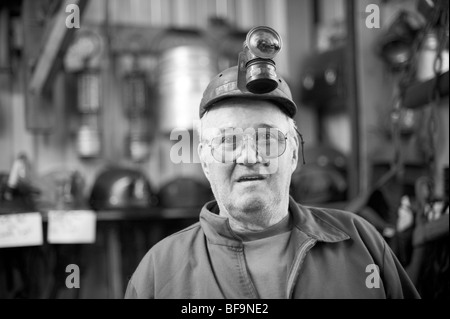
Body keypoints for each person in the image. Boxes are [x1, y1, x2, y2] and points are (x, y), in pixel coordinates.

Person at [125, 28, 420, 299]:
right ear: (204, 160)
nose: (250, 156)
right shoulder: (159, 271)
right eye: (228, 141)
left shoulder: (361, 244)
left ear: (293, 152)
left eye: (267, 138)